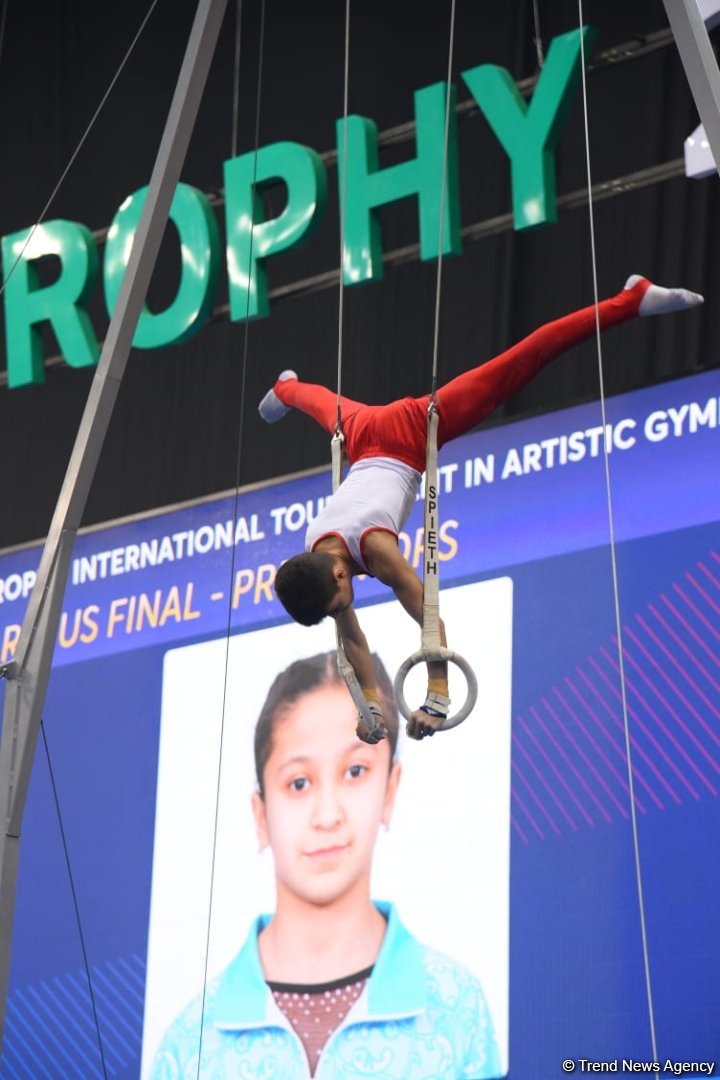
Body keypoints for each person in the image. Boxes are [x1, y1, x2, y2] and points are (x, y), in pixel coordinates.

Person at [261, 276, 703, 742]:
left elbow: (427, 615)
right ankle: (285, 387)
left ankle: (630, 299)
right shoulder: (319, 558)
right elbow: (350, 637)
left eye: (338, 602)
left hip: (411, 435)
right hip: (363, 439)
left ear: (337, 574)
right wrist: (367, 700)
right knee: (319, 404)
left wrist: (437, 691)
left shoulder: (374, 550)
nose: (343, 609)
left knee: (523, 360)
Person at [150, 651, 502, 1079]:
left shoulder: (455, 1008)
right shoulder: (190, 1043)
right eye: (299, 783)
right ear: (261, 815)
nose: (327, 814)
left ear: (389, 792)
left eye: (355, 771)